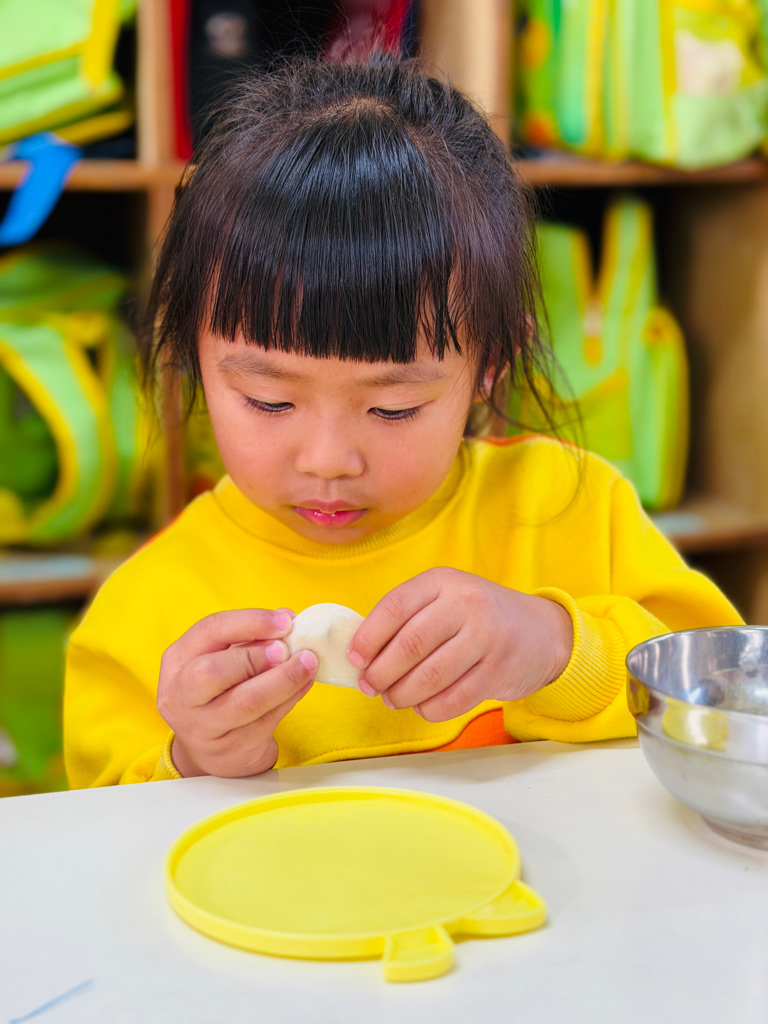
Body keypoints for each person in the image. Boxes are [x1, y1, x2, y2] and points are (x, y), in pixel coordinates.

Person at [63, 54, 741, 788]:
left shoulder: (569, 511)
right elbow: (97, 826)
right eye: (270, 401)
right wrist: (192, 760)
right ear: (195, 355)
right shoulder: (148, 603)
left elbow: (720, 699)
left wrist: (554, 648)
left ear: (491, 364)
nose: (328, 459)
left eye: (393, 408)